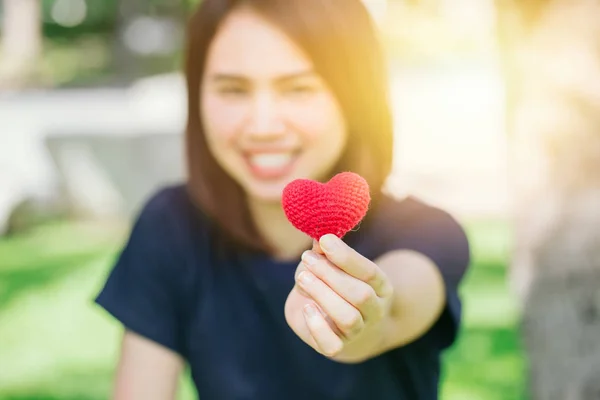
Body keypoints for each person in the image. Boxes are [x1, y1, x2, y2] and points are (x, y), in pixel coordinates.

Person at [94, 0, 471, 399]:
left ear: (356, 97)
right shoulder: (171, 226)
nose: (262, 126)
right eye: (233, 90)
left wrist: (362, 322)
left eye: (299, 88)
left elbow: (393, 308)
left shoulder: (427, 232)